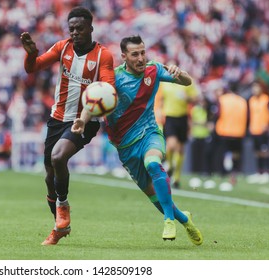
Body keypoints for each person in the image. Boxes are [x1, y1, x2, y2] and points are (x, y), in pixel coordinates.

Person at [72, 35, 203, 245]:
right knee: (156, 198)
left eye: (143, 52)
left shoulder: (154, 70)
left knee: (153, 163)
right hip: (125, 146)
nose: (141, 58)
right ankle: (185, 219)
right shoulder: (113, 79)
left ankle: (169, 220)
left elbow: (187, 82)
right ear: (124, 56)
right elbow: (94, 102)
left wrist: (181, 73)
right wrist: (83, 121)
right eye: (135, 54)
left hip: (150, 133)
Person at [20, 6, 115, 245]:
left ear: (91, 28)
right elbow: (33, 67)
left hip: (85, 121)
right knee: (49, 177)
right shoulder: (63, 48)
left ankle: (62, 207)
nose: (75, 32)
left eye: (80, 28)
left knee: (58, 157)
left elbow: (107, 90)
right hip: (57, 118)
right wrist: (31, 54)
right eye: (71, 28)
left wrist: (86, 116)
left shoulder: (103, 56)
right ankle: (60, 224)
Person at [157, 69, 200, 189]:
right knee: (171, 144)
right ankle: (170, 166)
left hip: (183, 117)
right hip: (170, 117)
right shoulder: (165, 83)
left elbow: (196, 98)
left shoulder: (185, 82)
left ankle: (177, 177)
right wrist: (160, 110)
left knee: (180, 149)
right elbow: (161, 99)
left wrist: (188, 98)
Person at [214, 84, 248, 188]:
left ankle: (222, 173)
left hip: (224, 130)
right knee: (236, 154)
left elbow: (218, 114)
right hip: (238, 131)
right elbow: (247, 117)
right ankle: (233, 174)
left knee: (222, 152)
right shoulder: (243, 101)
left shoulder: (223, 99)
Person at [246, 81, 269, 184]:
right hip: (254, 129)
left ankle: (266, 172)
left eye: (257, 87)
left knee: (264, 152)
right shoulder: (251, 100)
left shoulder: (266, 99)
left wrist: (267, 124)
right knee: (256, 152)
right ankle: (259, 172)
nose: (255, 90)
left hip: (263, 130)